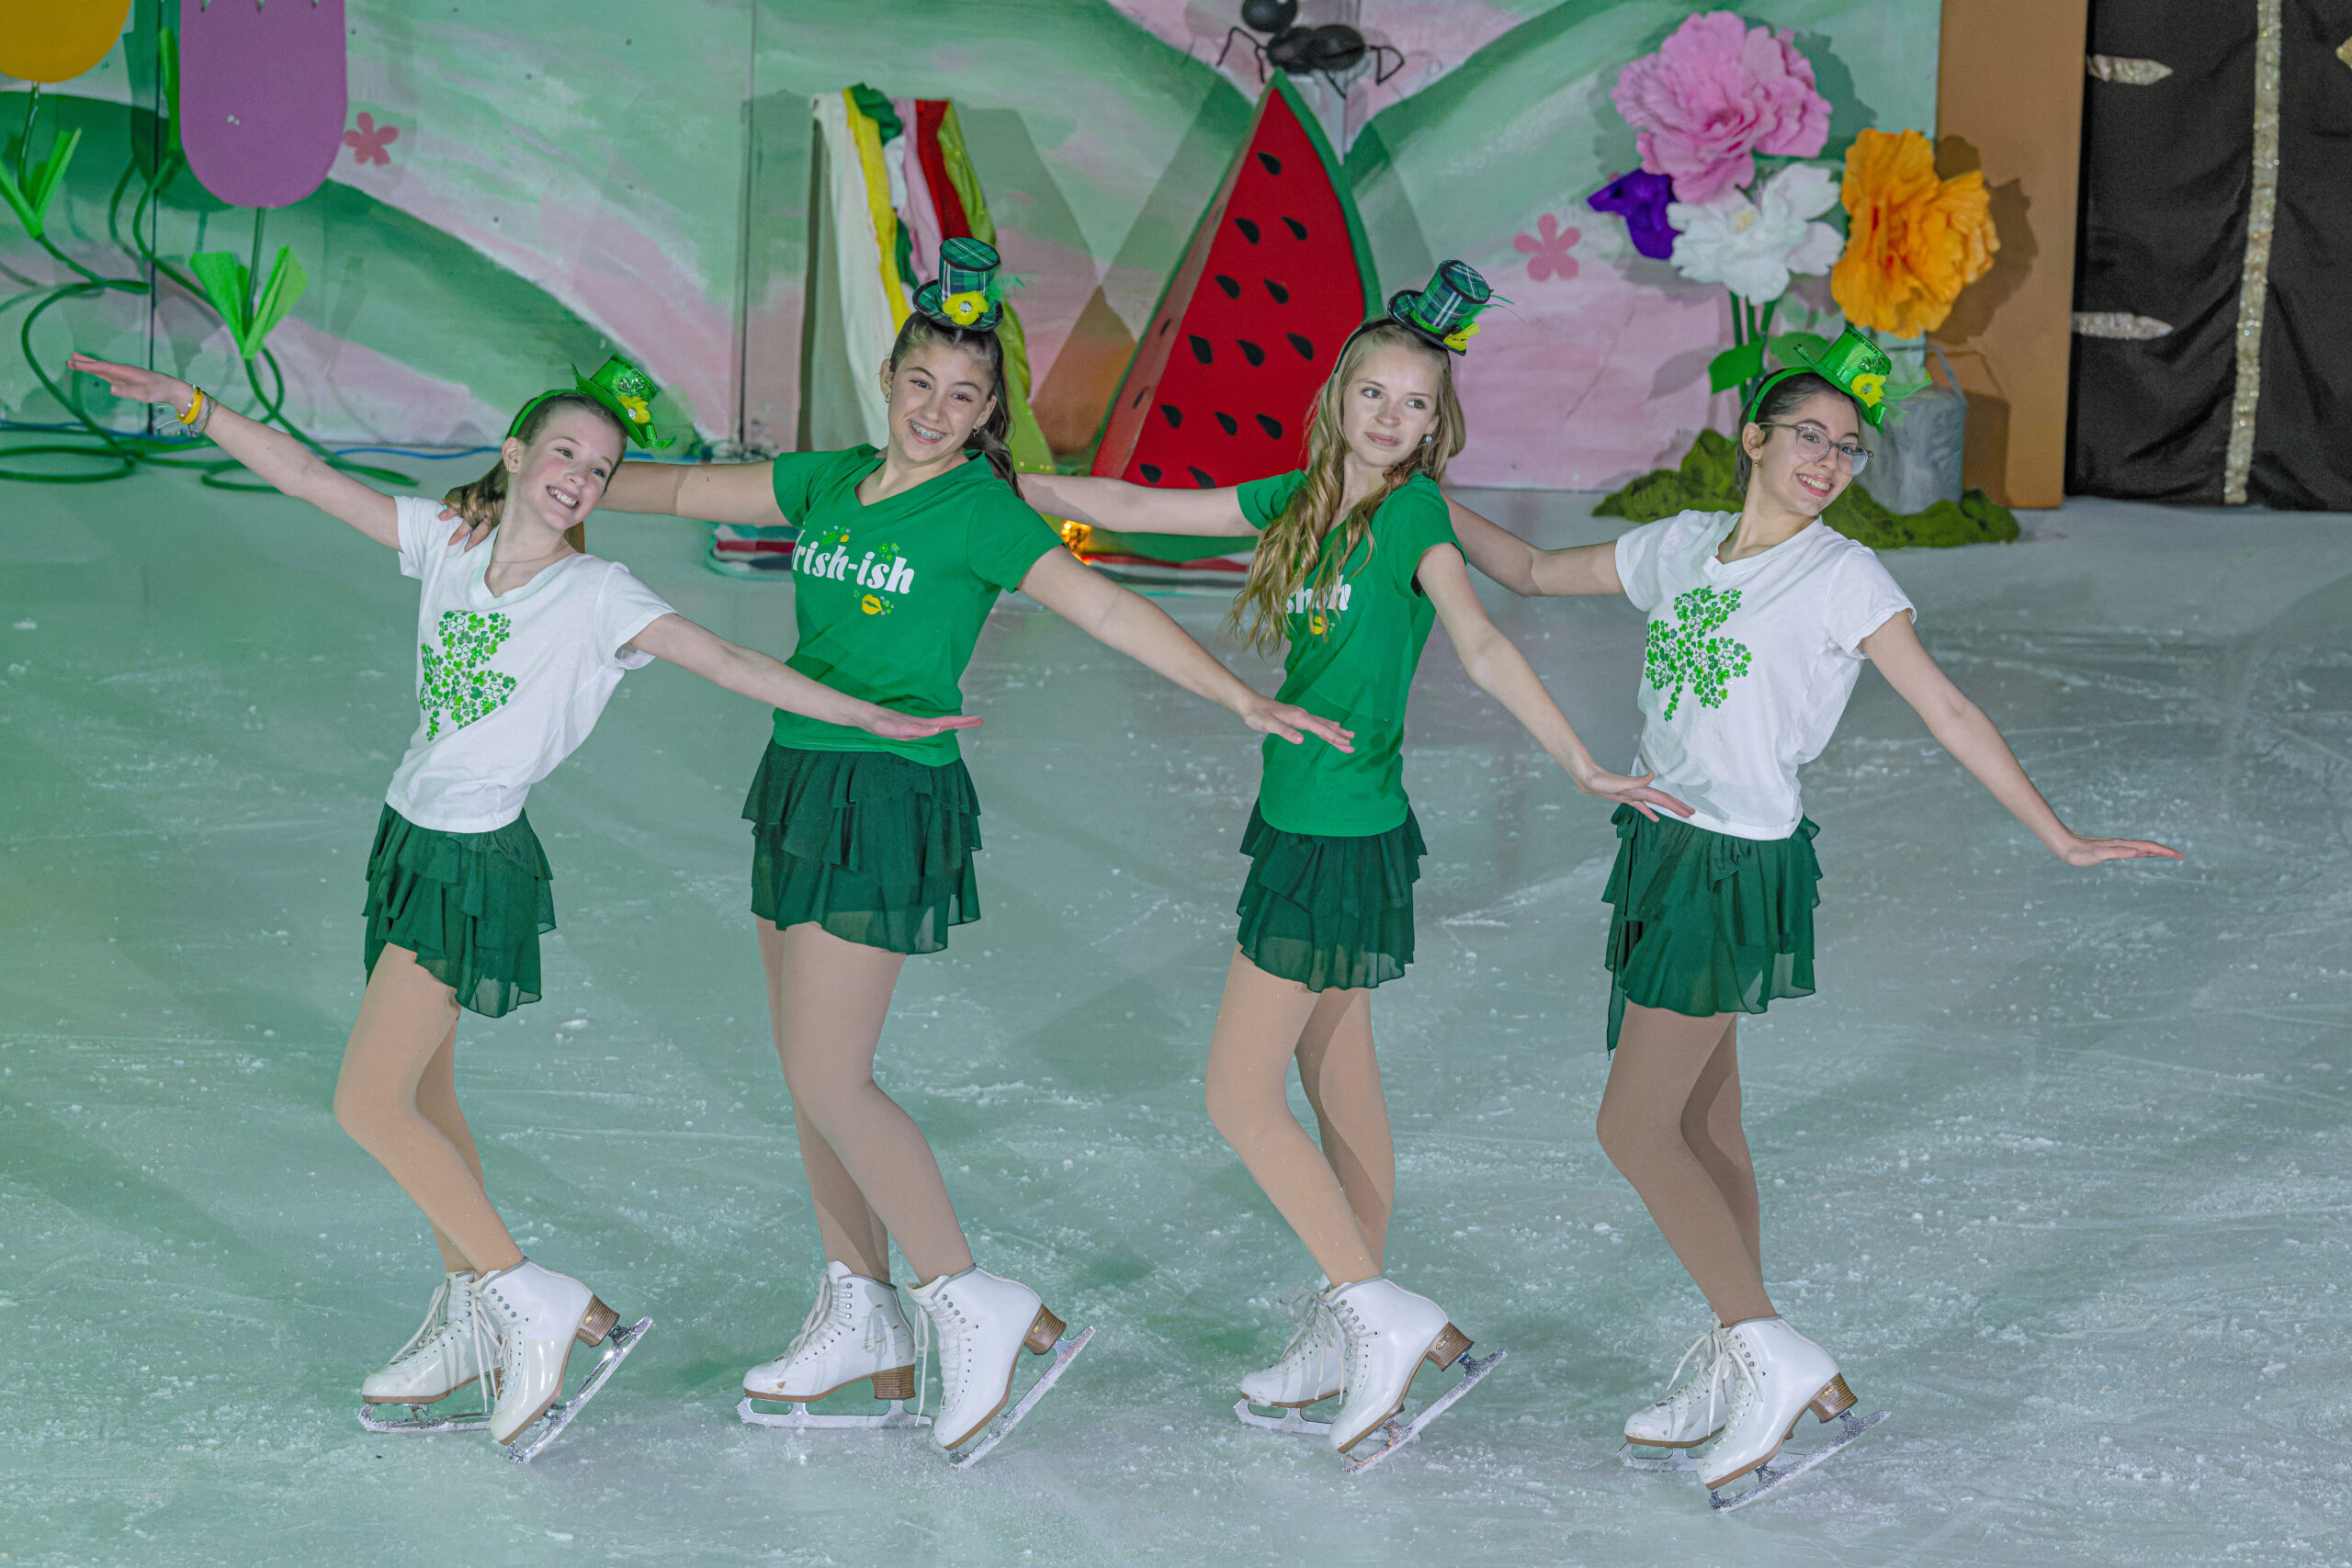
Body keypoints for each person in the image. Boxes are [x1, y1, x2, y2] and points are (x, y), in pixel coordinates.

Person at [445, 239, 1353, 1461]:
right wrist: (530, 486)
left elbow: (1107, 605)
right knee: (804, 1070)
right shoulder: (827, 480)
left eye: (964, 398)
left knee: (835, 1076)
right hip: (803, 776)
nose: (936, 411)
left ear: (989, 416)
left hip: (890, 796)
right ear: (893, 376)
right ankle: (861, 1313)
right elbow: (665, 491)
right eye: (922, 384)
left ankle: (967, 1295)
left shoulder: (981, 505)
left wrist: (1240, 701)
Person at [66, 349, 977, 1461]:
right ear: (514, 455)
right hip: (407, 837)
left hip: (472, 863)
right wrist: (198, 408)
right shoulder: (450, 542)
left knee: (368, 1104)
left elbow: (732, 661)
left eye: (598, 471)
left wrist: (872, 718)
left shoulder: (596, 596)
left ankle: (522, 1294)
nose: (578, 480)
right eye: (563, 455)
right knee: (427, 1098)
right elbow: (310, 479)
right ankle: (471, 1317)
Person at [1443, 328, 2181, 1502]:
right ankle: (1763, 1359)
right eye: (1809, 436)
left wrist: (2055, 832)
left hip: (1732, 868)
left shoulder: (1842, 575)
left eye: (1847, 447)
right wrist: (1419, 495)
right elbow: (1531, 575)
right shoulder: (1682, 545)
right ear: (1754, 438)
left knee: (1633, 1131)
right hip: (1660, 846)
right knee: (1705, 1129)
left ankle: (1773, 1359)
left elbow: (1941, 706)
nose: (1829, 460)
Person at [1025, 262, 1688, 1465]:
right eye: (1373, 395)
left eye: (1415, 405)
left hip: (1338, 834)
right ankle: (1354, 1315)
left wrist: (1581, 761)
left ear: (1442, 422)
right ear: (1337, 396)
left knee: (1237, 1092)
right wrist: (1000, 480)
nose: (1391, 419)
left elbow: (1482, 637)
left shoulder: (1415, 516)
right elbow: (1144, 506)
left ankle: (1374, 1314)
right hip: (1314, 819)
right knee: (1339, 1077)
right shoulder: (1299, 494)